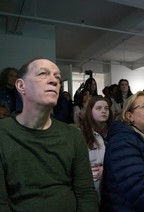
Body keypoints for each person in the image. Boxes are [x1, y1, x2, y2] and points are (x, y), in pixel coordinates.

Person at [0, 58, 98, 211]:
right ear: (21, 85)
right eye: (43, 74)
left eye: (58, 77)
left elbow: (86, 194)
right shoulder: (3, 134)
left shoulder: (73, 136)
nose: (54, 80)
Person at [80, 95, 113, 202]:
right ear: (90, 111)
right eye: (98, 108)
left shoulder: (113, 132)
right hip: (89, 184)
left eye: (106, 108)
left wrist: (106, 167)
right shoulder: (81, 134)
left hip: (110, 180)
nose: (103, 111)